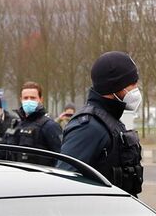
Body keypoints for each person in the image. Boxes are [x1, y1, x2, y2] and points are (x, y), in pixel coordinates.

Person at [60, 51, 144, 194]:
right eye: (132, 83)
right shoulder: (88, 127)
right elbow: (64, 182)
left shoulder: (111, 120)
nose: (136, 88)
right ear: (116, 86)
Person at [1, 81, 62, 161]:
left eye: (32, 98)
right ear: (21, 99)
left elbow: (62, 156)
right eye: (25, 98)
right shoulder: (15, 125)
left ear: (41, 99)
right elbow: (0, 152)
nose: (28, 101)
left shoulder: (49, 126)